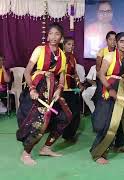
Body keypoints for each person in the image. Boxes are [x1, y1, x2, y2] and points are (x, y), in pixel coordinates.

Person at [16, 23, 72, 166]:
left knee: (66, 117)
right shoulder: (39, 50)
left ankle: (46, 148)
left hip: (53, 91)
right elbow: (27, 71)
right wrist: (32, 89)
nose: (53, 37)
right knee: (37, 123)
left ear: (61, 38)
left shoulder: (62, 56)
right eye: (51, 33)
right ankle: (26, 153)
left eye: (57, 34)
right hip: (38, 88)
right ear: (47, 35)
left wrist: (60, 88)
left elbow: (62, 75)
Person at [90, 32, 124, 164]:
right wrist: (110, 89)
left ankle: (119, 145)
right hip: (109, 90)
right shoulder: (109, 56)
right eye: (121, 41)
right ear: (116, 42)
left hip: (122, 90)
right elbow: (101, 75)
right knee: (108, 122)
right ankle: (99, 153)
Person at [61, 37, 84, 142]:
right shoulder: (59, 56)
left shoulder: (73, 58)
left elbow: (74, 73)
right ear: (64, 45)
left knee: (75, 112)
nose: (71, 46)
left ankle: (69, 135)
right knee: (63, 113)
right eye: (69, 44)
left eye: (73, 45)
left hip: (72, 88)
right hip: (61, 88)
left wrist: (79, 84)